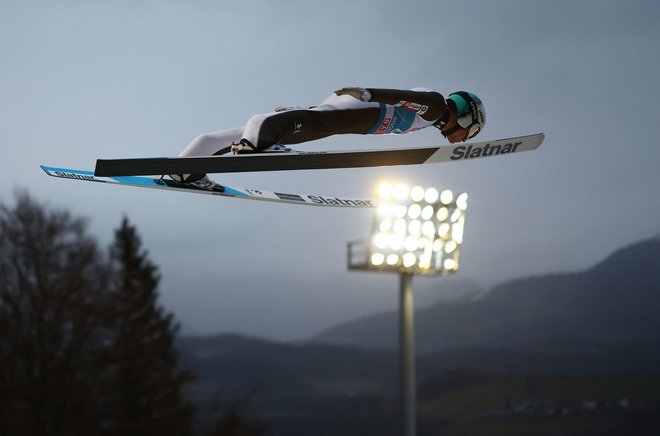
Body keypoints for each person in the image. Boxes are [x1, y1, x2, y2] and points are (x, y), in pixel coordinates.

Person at [173, 86, 485, 185]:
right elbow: (403, 96)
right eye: (470, 131)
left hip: (355, 110)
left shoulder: (433, 113)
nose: (463, 139)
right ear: (465, 117)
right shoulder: (437, 109)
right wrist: (369, 92)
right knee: (319, 123)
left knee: (317, 121)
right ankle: (259, 141)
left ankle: (186, 166)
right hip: (364, 109)